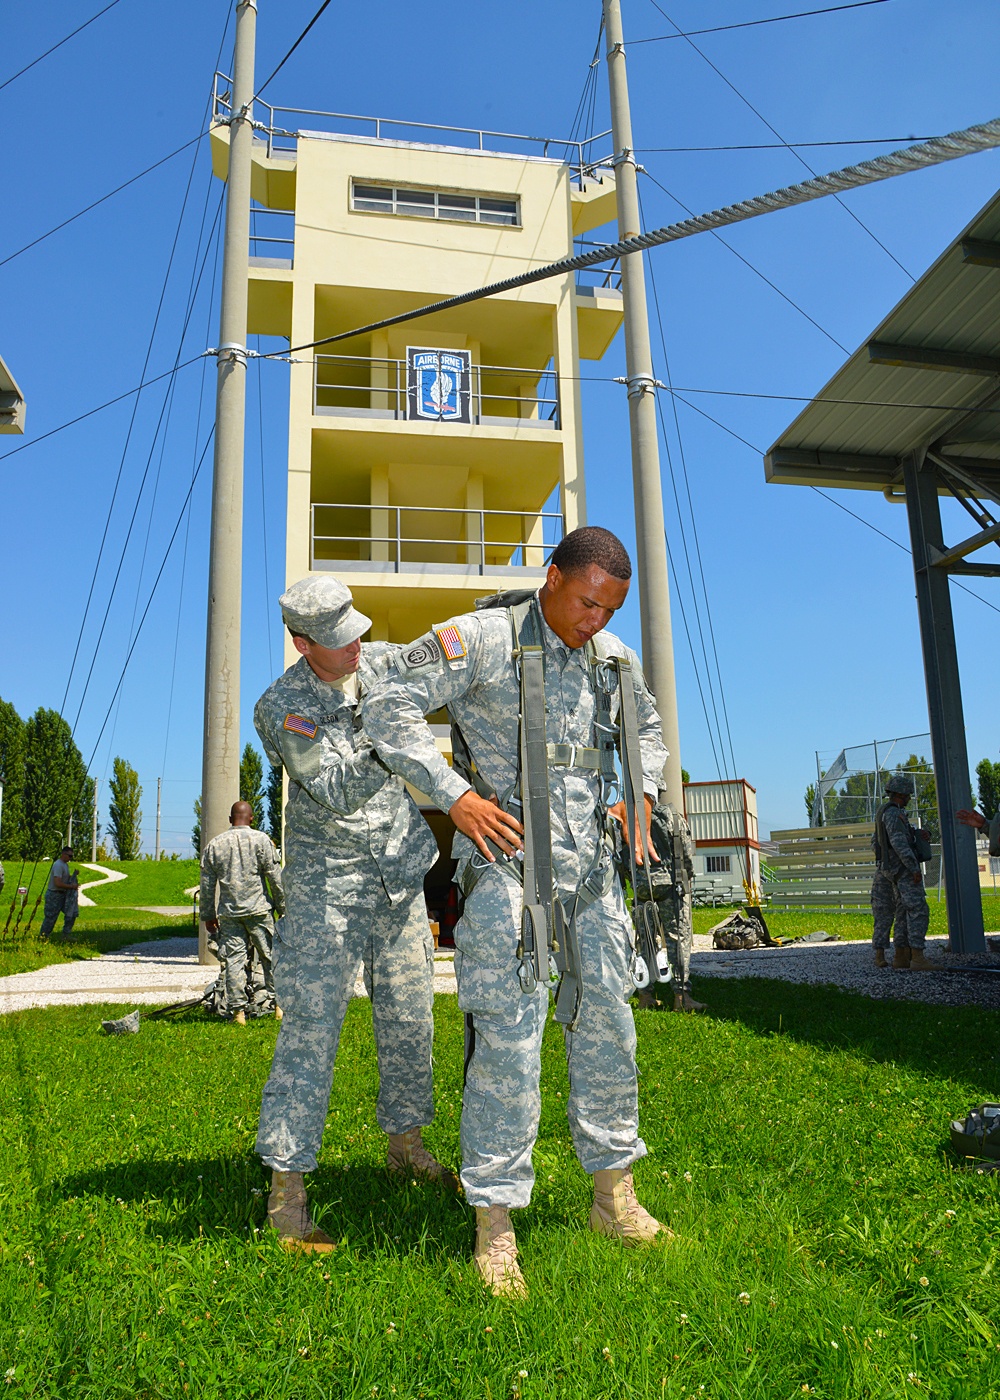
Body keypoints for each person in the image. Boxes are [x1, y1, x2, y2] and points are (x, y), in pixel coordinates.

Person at [362, 526, 672, 1298]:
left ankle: (613, 1196)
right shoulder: (487, 638)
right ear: (553, 576)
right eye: (586, 603)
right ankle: (494, 1224)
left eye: (610, 609)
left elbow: (651, 730)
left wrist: (645, 789)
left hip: (593, 868)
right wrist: (454, 795)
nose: (595, 621)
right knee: (508, 1036)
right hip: (508, 869)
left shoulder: (613, 659)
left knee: (609, 1020)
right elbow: (386, 699)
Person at [253, 575, 457, 1255]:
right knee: (311, 1032)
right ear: (301, 642)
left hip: (398, 873)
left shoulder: (372, 659)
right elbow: (337, 787)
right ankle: (287, 1191)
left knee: (409, 1018)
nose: (357, 647)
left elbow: (434, 657)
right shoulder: (281, 707)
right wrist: (389, 735)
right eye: (339, 641)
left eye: (358, 632)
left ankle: (406, 1146)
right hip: (327, 890)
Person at [199, 800, 285, 1025]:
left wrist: (208, 916)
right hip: (259, 910)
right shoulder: (261, 841)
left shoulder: (215, 845)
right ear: (252, 819)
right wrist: (284, 908)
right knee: (269, 957)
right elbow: (275, 878)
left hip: (230, 913)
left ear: (230, 820)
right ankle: (279, 1006)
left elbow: (207, 885)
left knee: (234, 960)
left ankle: (238, 1013)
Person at [619, 799, 705, 1013]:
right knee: (678, 940)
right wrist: (688, 875)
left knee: (644, 939)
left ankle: (645, 995)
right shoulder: (672, 815)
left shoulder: (630, 816)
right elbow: (685, 847)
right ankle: (681, 995)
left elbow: (620, 852)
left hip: (641, 885)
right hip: (671, 884)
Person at [871, 773, 934, 970]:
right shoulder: (894, 814)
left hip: (888, 869)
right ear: (902, 794)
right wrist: (913, 867)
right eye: (908, 794)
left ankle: (901, 956)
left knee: (900, 911)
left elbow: (876, 843)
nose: (909, 797)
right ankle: (917, 957)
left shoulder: (885, 812)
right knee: (917, 909)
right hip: (902, 870)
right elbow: (898, 842)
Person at [40, 845, 79, 940]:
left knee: (71, 914)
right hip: (54, 894)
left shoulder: (65, 865)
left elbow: (64, 878)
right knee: (50, 918)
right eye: (69, 856)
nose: (70, 858)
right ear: (63, 854)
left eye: (72, 856)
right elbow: (58, 883)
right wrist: (71, 887)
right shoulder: (58, 865)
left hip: (63, 895)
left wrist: (73, 876)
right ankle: (43, 937)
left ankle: (66, 935)